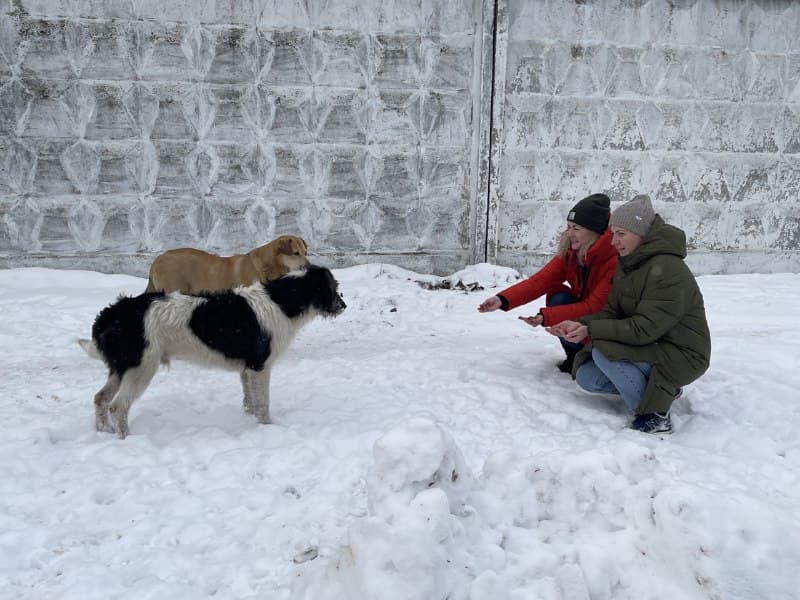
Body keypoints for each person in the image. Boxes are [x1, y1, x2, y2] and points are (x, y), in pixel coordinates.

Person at [548, 194, 711, 434]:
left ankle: (654, 415)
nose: (613, 241)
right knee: (587, 377)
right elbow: (612, 311)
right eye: (613, 233)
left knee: (606, 352)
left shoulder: (667, 269)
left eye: (621, 234)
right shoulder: (631, 262)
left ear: (642, 234)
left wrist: (591, 330)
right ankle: (663, 390)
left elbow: (644, 328)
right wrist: (579, 324)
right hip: (655, 346)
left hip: (682, 354)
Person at [477, 193, 618, 373]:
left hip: (604, 325)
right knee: (558, 296)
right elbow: (539, 282)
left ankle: (592, 358)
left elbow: (594, 308)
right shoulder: (572, 253)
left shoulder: (613, 259)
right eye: (568, 227)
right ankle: (575, 356)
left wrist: (546, 317)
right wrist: (502, 299)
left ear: (594, 232)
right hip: (582, 323)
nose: (569, 233)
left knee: (561, 309)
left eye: (576, 228)